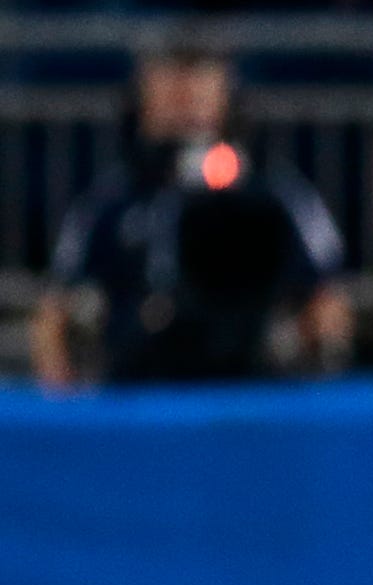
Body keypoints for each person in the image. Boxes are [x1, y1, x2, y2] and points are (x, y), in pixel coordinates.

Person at [30, 38, 351, 388]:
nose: (185, 103)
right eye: (171, 91)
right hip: (136, 383)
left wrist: (316, 376)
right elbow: (55, 310)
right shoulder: (109, 200)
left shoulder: (272, 193)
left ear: (226, 98)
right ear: (142, 101)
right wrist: (64, 399)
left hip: (248, 385)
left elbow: (326, 299)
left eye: (198, 90)